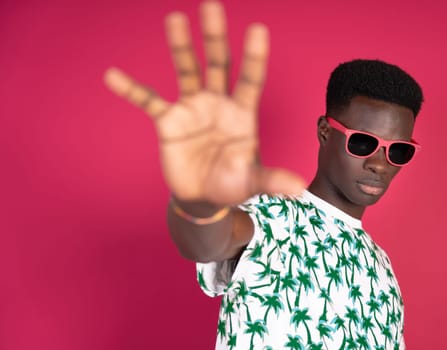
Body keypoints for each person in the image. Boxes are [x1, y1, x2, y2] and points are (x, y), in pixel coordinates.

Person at [104, 1, 423, 349]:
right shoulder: (272, 216)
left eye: (398, 151)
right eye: (363, 142)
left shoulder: (382, 268)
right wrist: (195, 198)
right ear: (324, 132)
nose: (380, 164)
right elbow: (208, 238)